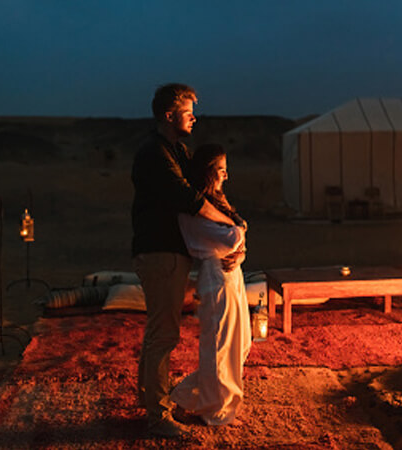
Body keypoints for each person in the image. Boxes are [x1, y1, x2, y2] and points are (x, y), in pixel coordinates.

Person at [131, 83, 239, 437]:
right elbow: (188, 198)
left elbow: (200, 189)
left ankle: (148, 398)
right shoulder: (154, 153)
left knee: (159, 331)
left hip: (170, 252)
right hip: (160, 252)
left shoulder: (176, 150)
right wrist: (232, 225)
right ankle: (157, 416)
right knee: (164, 334)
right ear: (168, 115)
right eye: (188, 112)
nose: (195, 118)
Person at [170, 143, 251, 426]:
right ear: (206, 172)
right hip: (215, 275)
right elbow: (231, 238)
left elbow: (236, 238)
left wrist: (238, 240)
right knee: (220, 346)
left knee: (241, 344)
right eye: (220, 170)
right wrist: (238, 233)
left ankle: (184, 396)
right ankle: (215, 411)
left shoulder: (218, 203)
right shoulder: (192, 211)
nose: (225, 176)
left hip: (232, 273)